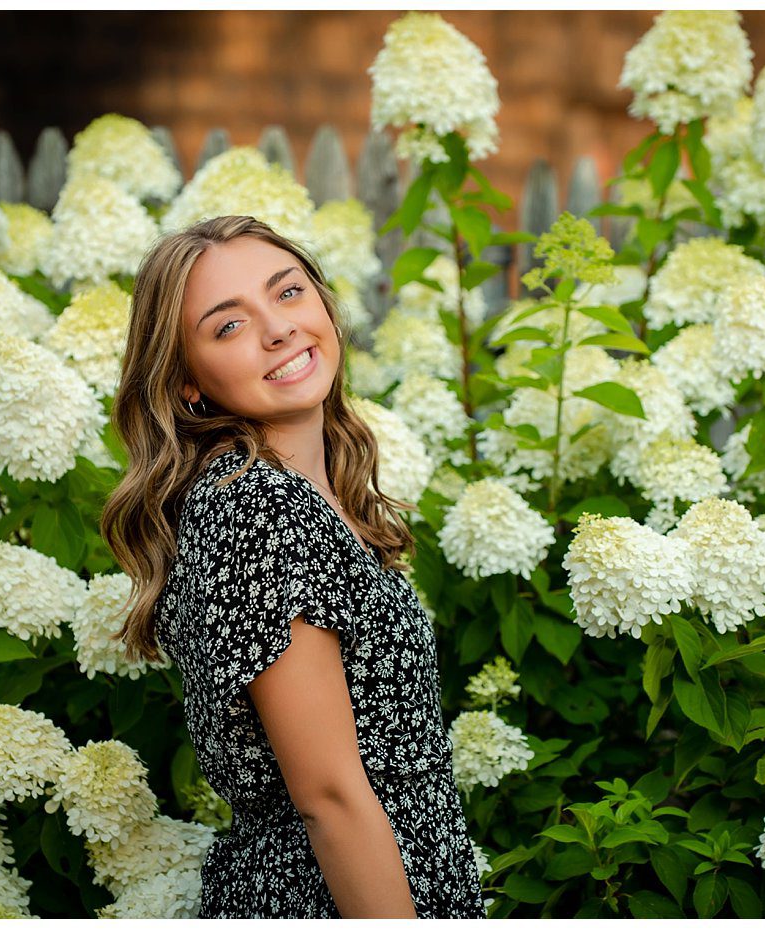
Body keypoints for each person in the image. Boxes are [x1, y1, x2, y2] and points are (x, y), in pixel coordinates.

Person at [97, 215, 483, 918]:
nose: (277, 329)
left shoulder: (305, 495)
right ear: (188, 384)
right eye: (228, 326)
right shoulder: (259, 508)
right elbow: (329, 797)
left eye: (288, 292)